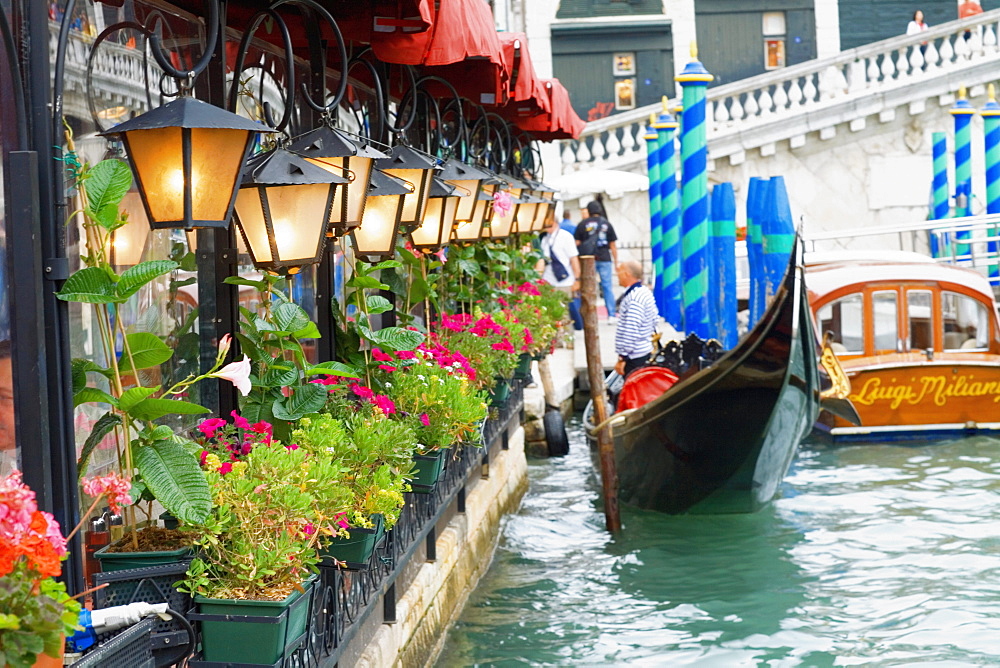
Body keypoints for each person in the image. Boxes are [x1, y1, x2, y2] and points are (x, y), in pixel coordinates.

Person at [575, 201, 619, 323]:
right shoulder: (607, 224)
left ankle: (590, 313)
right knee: (607, 286)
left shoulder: (583, 224)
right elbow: (613, 245)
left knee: (589, 286)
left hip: (588, 259)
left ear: (589, 211)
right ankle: (611, 314)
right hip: (605, 257)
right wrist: (616, 261)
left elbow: (577, 243)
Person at [613, 261, 658, 378]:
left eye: (620, 271)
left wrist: (623, 358)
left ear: (627, 274)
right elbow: (655, 320)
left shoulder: (634, 298)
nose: (617, 274)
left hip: (635, 356)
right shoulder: (645, 292)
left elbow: (631, 329)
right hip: (644, 350)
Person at [539, 213, 582, 330]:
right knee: (552, 312)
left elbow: (574, 259)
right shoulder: (545, 239)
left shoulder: (565, 237)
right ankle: (557, 337)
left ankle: (567, 338)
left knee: (565, 311)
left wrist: (577, 279)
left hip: (565, 281)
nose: (547, 227)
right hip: (549, 280)